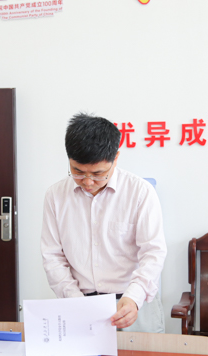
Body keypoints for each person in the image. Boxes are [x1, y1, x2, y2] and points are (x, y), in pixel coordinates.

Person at [41, 113, 167, 333]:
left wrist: (134, 298)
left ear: (115, 158)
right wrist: (75, 300)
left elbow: (153, 252)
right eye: (78, 172)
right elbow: (52, 256)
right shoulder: (55, 196)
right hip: (79, 304)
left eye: (98, 173)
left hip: (132, 304)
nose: (88, 182)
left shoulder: (140, 192)